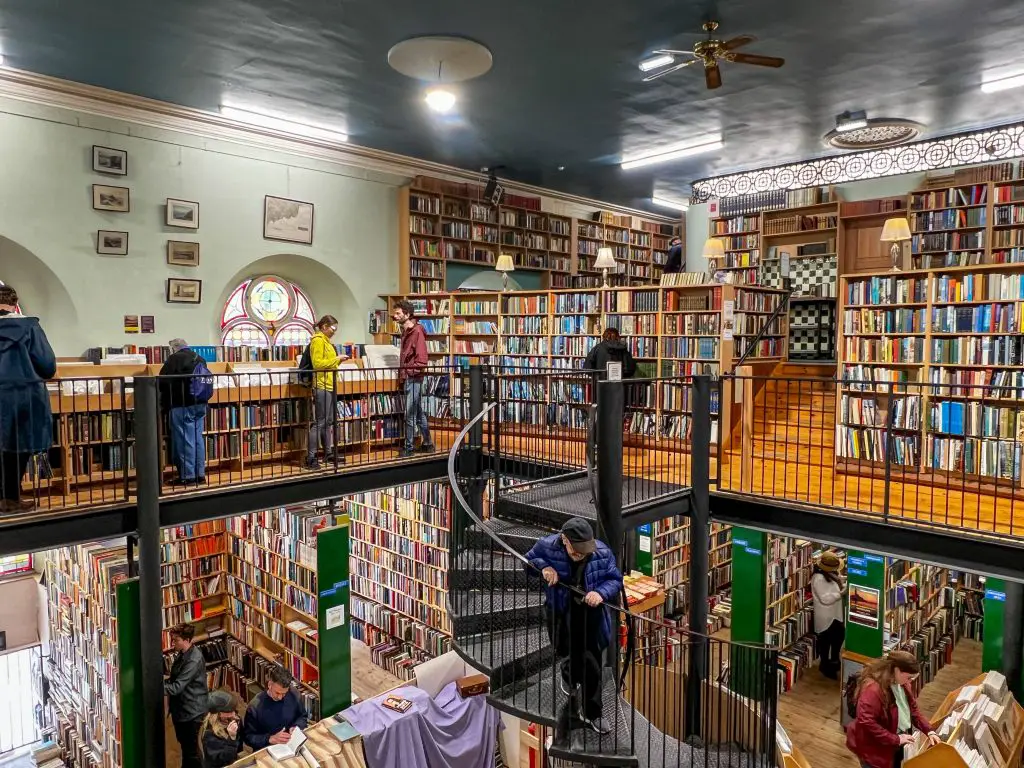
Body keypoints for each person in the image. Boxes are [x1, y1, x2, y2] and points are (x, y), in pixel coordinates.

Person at [525, 517, 623, 734]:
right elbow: (528, 562)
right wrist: (544, 567)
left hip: (591, 615)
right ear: (564, 540)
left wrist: (600, 593)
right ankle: (568, 674)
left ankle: (592, 713)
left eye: (585, 550)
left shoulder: (602, 552)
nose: (581, 554)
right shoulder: (547, 546)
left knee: (593, 667)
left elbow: (615, 580)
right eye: (576, 550)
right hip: (561, 612)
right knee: (566, 651)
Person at [0, 283, 56, 513]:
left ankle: (6, 499)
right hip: (27, 398)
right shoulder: (30, 327)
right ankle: (12, 498)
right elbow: (47, 365)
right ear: (15, 305)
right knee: (19, 449)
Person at [846, 651, 940, 768]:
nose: (910, 681)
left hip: (895, 744)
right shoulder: (873, 690)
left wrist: (929, 730)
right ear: (896, 670)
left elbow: (913, 710)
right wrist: (896, 739)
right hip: (876, 750)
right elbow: (867, 722)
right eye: (909, 677)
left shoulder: (902, 684)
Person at [158, 339, 210, 484]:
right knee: (197, 438)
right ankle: (200, 474)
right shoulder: (199, 358)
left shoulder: (174, 358)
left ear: (174, 348)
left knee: (184, 439)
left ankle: (188, 477)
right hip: (200, 403)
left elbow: (162, 380)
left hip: (182, 404)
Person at [305, 315, 349, 470]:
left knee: (328, 421)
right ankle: (311, 457)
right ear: (324, 326)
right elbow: (317, 364)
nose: (334, 331)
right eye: (333, 328)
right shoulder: (317, 340)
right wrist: (337, 359)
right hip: (322, 385)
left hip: (330, 384)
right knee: (320, 422)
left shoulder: (326, 341)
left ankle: (328, 453)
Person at [164, 623, 210, 768]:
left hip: (192, 712)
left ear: (187, 640)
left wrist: (155, 688)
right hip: (182, 709)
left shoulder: (194, 660)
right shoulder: (183, 653)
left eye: (176, 640)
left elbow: (177, 687)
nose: (173, 644)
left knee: (191, 752)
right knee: (186, 746)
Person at [392, 299, 434, 457]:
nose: (394, 316)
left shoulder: (416, 331)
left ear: (407, 314)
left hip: (414, 377)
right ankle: (428, 444)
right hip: (409, 376)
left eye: (398, 313)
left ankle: (409, 448)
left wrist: (409, 371)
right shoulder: (405, 331)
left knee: (409, 413)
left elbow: (422, 359)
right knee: (417, 412)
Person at [242, 666, 308, 751]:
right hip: (268, 748)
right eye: (277, 693)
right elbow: (248, 738)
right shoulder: (254, 707)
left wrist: (296, 726)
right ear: (269, 685)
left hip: (291, 744)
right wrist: (270, 738)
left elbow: (302, 716)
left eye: (284, 693)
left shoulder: (293, 693)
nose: (280, 697)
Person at [812, 551, 846, 679]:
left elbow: (836, 583)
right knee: (826, 643)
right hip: (826, 617)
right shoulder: (818, 578)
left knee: (838, 639)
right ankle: (826, 665)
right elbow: (825, 599)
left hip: (835, 614)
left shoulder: (830, 574)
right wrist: (841, 594)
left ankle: (834, 661)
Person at [201, 691, 242, 768]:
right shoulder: (209, 734)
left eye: (233, 710)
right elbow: (223, 760)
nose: (234, 714)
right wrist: (232, 739)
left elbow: (239, 747)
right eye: (229, 711)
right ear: (217, 713)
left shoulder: (234, 719)